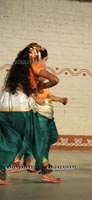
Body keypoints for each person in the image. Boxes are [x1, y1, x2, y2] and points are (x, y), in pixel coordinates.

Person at [0, 42, 60, 185]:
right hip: (21, 109)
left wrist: (35, 89)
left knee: (9, 140)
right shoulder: (36, 66)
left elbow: (23, 88)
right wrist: (42, 83)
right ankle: (46, 172)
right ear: (38, 57)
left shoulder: (17, 70)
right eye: (45, 60)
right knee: (37, 139)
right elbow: (55, 80)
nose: (45, 63)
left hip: (3, 106)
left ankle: (0, 174)